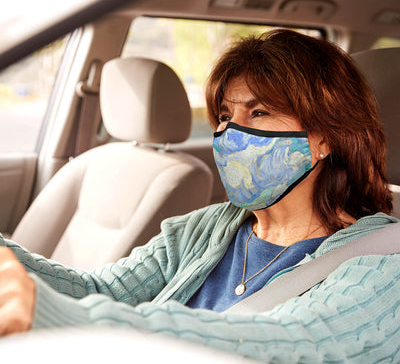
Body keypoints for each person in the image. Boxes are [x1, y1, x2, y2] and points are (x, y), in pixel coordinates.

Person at [0, 29, 399, 362]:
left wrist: (57, 317)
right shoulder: (204, 228)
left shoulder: (383, 266)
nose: (229, 133)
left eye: (258, 113)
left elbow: (280, 341)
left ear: (324, 138)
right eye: (225, 116)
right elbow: (102, 292)